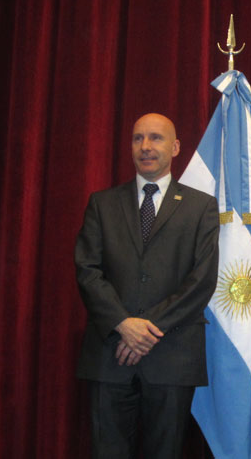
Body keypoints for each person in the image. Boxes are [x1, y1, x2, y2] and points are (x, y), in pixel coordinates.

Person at [75, 113, 219, 459]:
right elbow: (87, 270)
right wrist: (123, 324)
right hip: (111, 354)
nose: (146, 146)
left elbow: (201, 281)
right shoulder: (102, 203)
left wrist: (147, 330)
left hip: (172, 355)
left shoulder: (201, 207)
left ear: (175, 147)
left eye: (155, 138)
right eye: (138, 138)